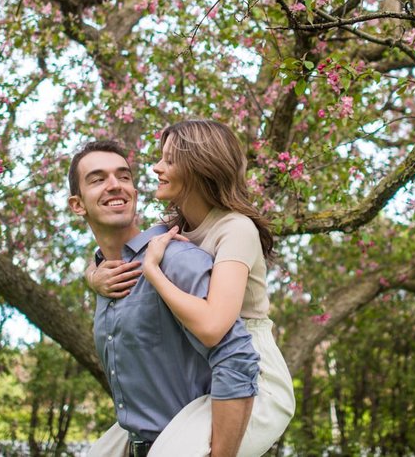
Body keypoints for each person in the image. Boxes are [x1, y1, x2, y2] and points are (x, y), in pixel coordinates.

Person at [87, 121, 296, 456]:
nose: (156, 168)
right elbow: (119, 247)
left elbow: (214, 328)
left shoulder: (235, 229)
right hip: (214, 375)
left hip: (256, 379)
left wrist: (153, 272)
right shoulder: (175, 229)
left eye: (168, 160)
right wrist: (94, 275)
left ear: (199, 167)